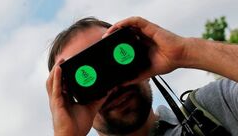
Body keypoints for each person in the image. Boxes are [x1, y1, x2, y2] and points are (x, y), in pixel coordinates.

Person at [46, 16, 238, 135]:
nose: (113, 86)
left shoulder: (215, 109)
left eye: (112, 62)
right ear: (66, 99)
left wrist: (186, 52)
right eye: (86, 76)